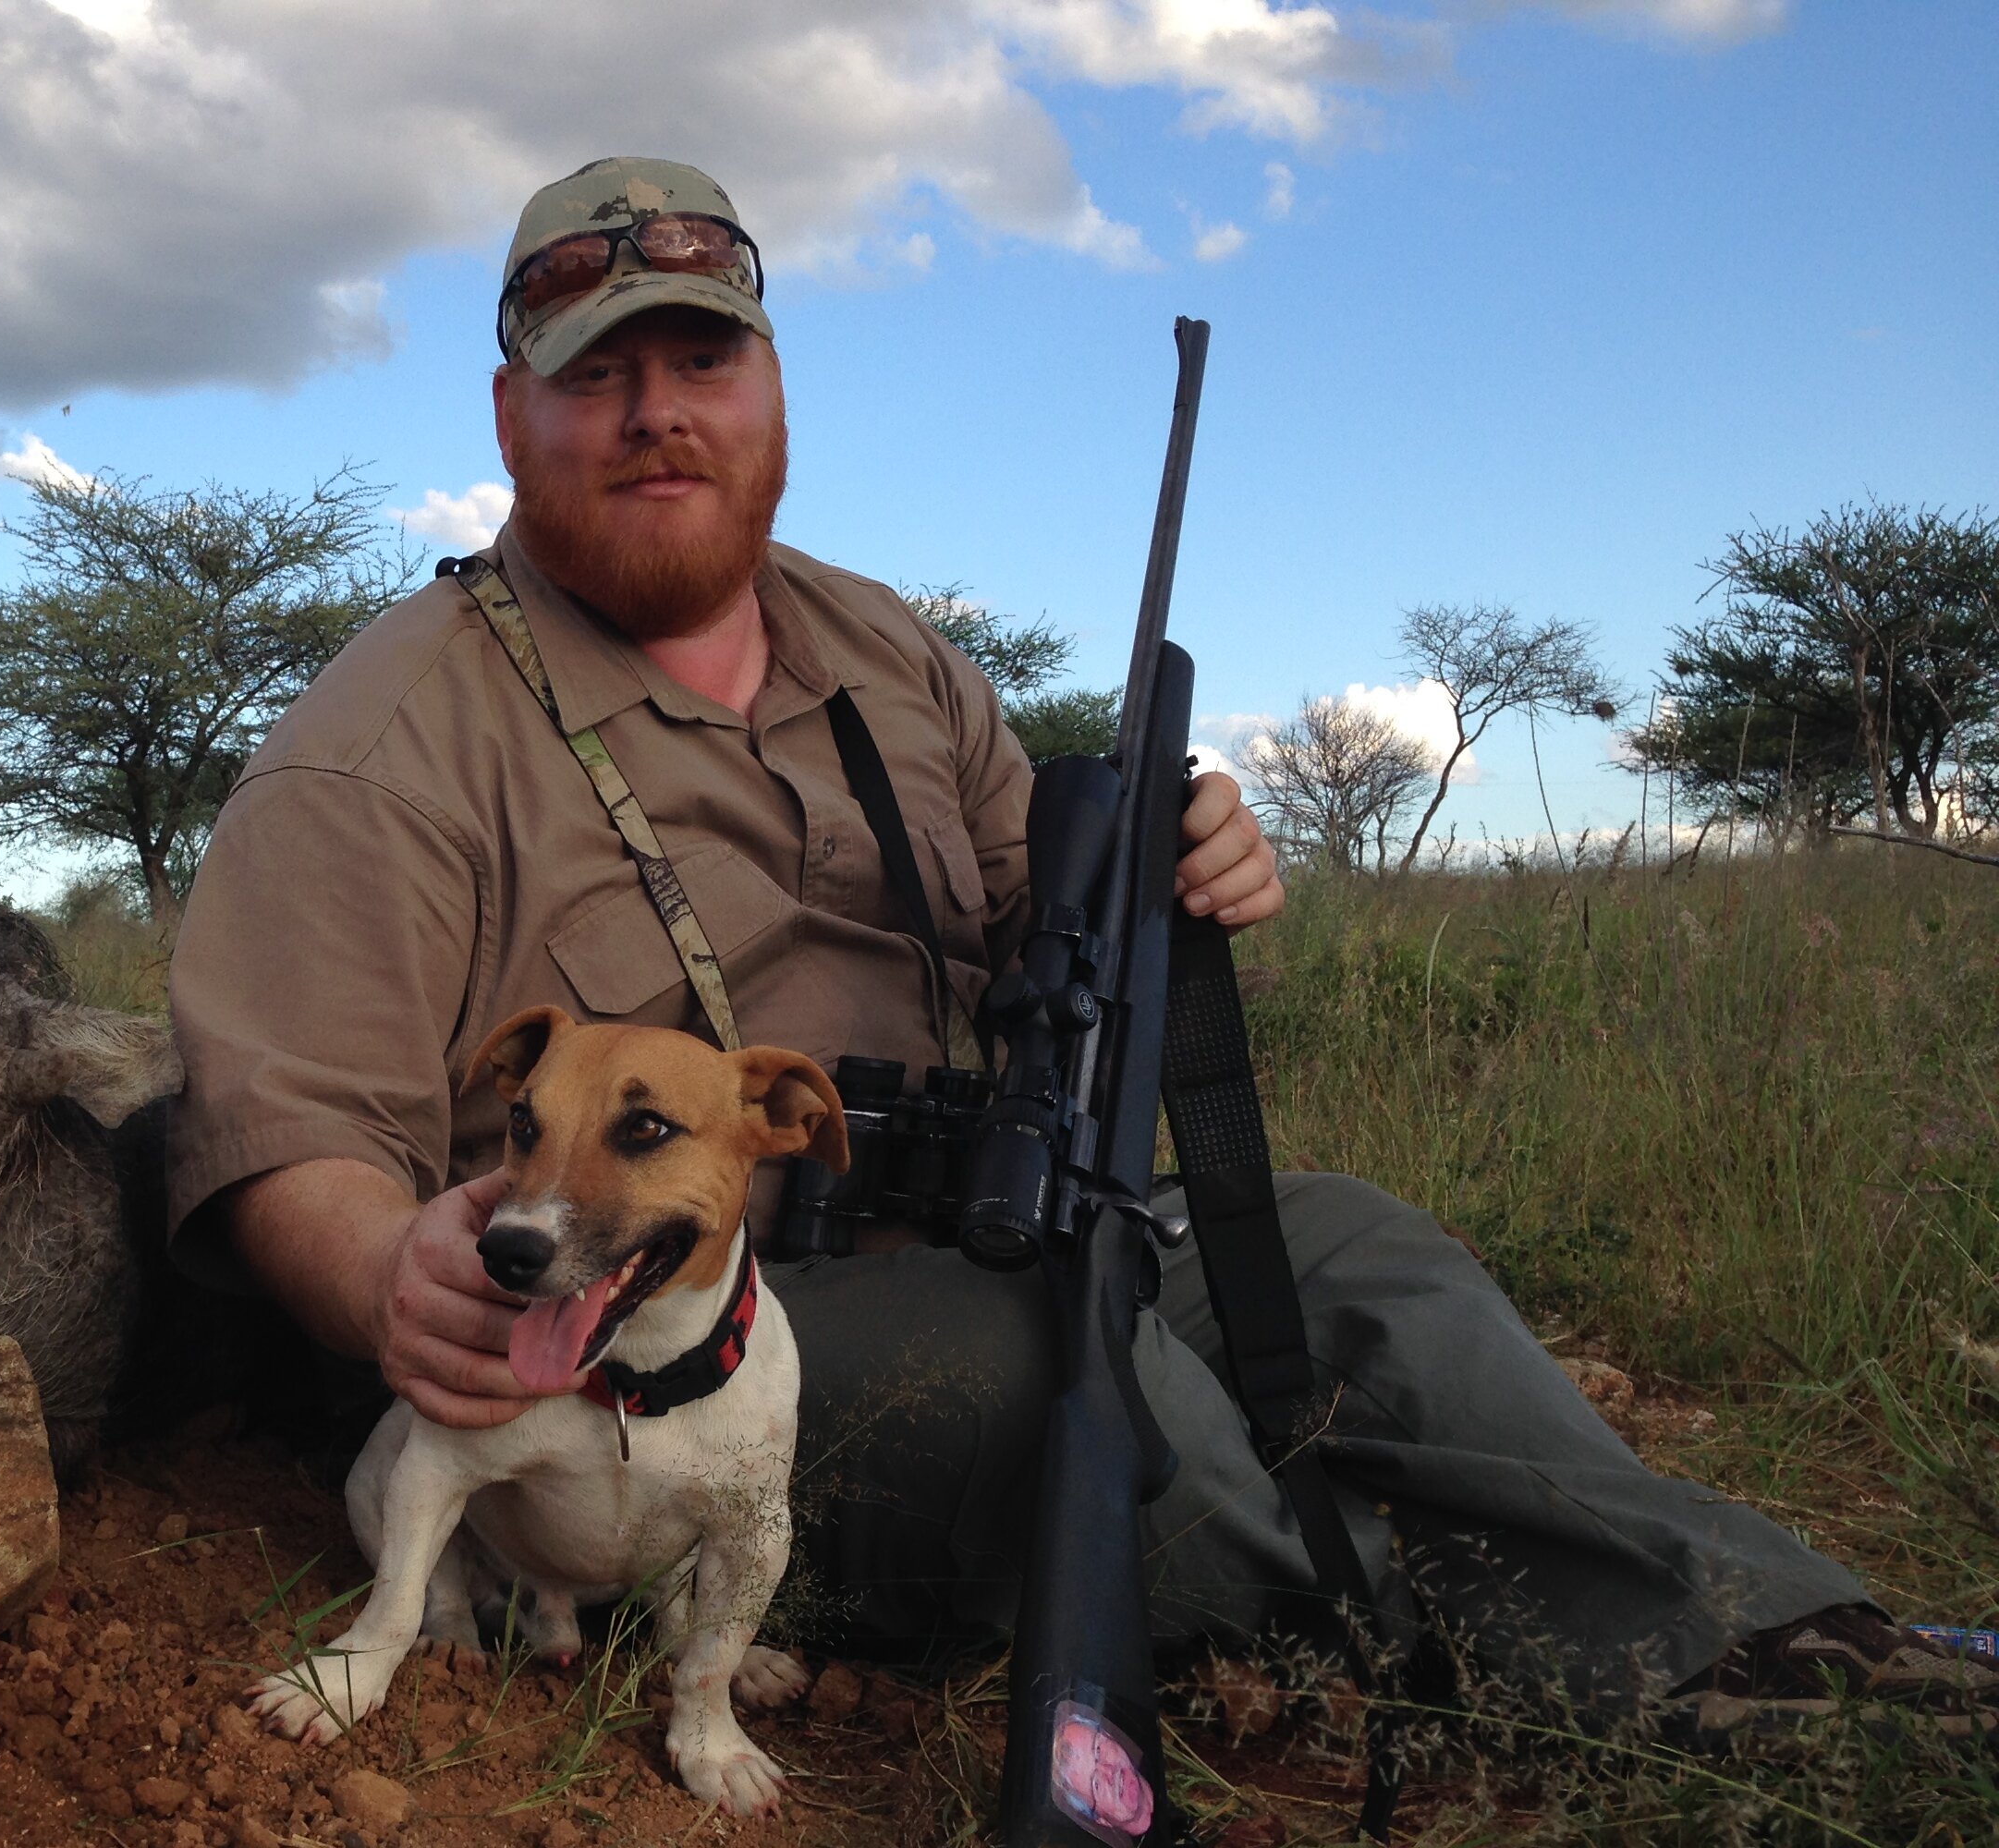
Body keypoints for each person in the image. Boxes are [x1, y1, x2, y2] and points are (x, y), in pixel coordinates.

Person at [165, 154, 1994, 1731]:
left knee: (1365, 1258)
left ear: (773, 394)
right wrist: (383, 1272)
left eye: (701, 359)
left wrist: (1171, 875)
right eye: (595, 374)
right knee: (1089, 1400)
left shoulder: (895, 659)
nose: (656, 411)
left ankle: (1811, 1636)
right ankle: (1541, 1677)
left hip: (990, 1215)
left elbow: (1044, 941)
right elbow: (287, 1140)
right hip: (674, 1324)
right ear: (512, 420)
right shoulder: (386, 734)